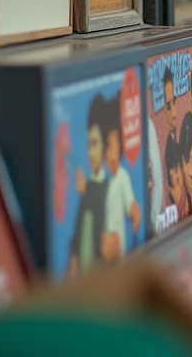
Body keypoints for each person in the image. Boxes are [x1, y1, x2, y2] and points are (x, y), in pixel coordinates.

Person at [68, 94, 110, 277]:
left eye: (95, 144)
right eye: (88, 144)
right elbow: (76, 243)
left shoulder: (106, 187)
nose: (91, 152)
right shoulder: (86, 191)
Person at [101, 92, 141, 262]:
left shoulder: (122, 177)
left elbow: (133, 208)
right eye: (108, 146)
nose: (112, 152)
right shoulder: (101, 179)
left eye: (115, 144)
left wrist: (135, 223)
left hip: (119, 251)